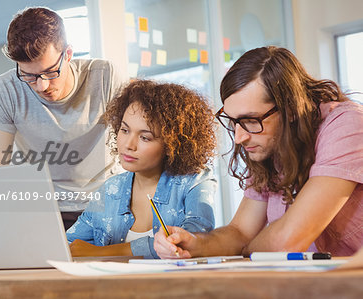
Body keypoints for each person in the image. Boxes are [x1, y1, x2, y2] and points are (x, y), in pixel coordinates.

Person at [154, 46, 363, 259]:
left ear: (290, 109)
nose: (239, 137)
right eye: (234, 121)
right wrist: (194, 243)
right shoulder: (270, 144)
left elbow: (288, 240)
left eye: (250, 121)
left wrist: (243, 249)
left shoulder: (346, 125)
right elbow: (240, 232)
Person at [0, 7, 125, 229]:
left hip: (107, 203)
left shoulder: (104, 75)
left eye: (50, 72)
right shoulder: (5, 89)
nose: (41, 86)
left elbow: (134, 143)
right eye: (28, 75)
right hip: (46, 209)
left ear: (68, 54)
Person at [66, 80, 217, 258]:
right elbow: (70, 244)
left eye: (145, 137)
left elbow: (190, 242)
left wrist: (102, 253)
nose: (129, 145)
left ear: (173, 144)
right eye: (124, 130)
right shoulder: (110, 189)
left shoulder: (194, 183)